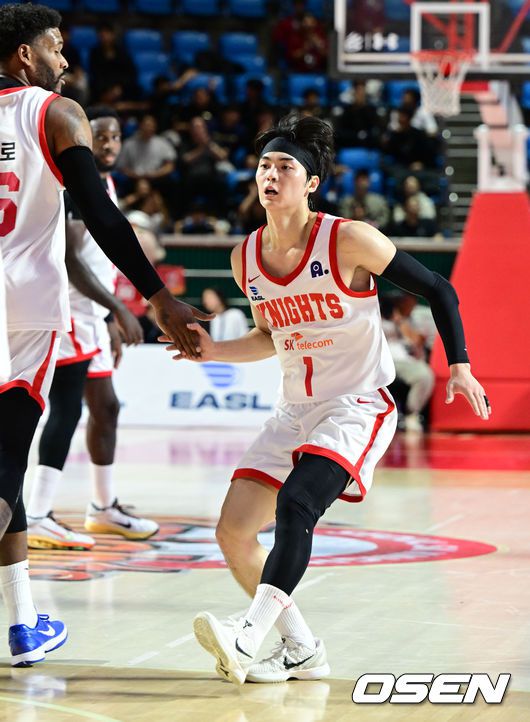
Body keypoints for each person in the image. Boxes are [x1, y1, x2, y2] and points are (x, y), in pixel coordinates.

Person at [162, 113, 491, 684]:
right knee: (233, 532)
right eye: (264, 165)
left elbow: (439, 288)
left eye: (285, 167)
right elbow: (269, 337)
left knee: (297, 504)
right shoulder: (246, 258)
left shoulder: (348, 239)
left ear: (312, 182)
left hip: (357, 404)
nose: (270, 175)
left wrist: (459, 366)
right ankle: (302, 649)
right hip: (294, 410)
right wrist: (211, 352)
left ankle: (248, 636)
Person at [0, 3, 210, 667]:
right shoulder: (55, 113)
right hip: (24, 307)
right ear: (25, 55)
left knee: (6, 472)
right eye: (55, 47)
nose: (64, 59)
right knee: (5, 465)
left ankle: (24, 624)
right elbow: (102, 217)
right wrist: (157, 297)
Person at [26, 106, 158, 551]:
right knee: (66, 407)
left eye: (115, 136)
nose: (108, 144)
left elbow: (100, 260)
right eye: (99, 136)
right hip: (69, 309)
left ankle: (102, 508)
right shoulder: (72, 186)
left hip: (92, 315)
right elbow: (71, 261)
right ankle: (37, 514)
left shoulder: (108, 183)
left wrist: (107, 318)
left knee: (107, 408)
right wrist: (118, 309)